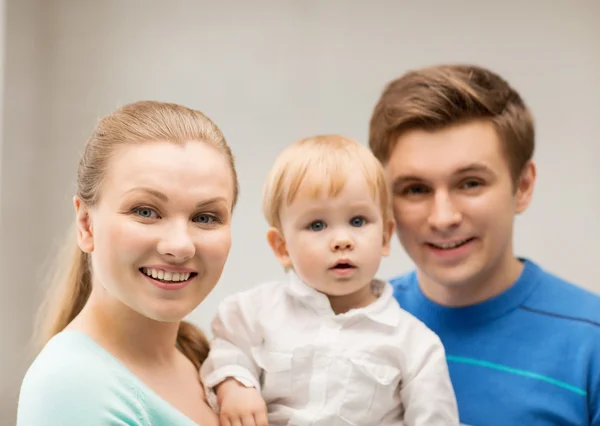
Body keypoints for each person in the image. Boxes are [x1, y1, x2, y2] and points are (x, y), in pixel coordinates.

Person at [368, 64, 600, 425]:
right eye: (416, 189)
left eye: (470, 183)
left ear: (522, 187)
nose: (443, 217)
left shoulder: (592, 342)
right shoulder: (355, 325)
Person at [200, 135, 459, 426]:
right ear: (282, 247)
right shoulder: (252, 314)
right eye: (317, 225)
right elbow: (228, 351)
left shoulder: (415, 344)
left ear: (385, 237)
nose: (342, 240)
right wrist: (236, 386)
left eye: (358, 221)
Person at [17, 100, 239, 426]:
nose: (180, 246)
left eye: (205, 217)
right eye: (145, 211)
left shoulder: (213, 365)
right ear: (86, 225)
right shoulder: (71, 387)